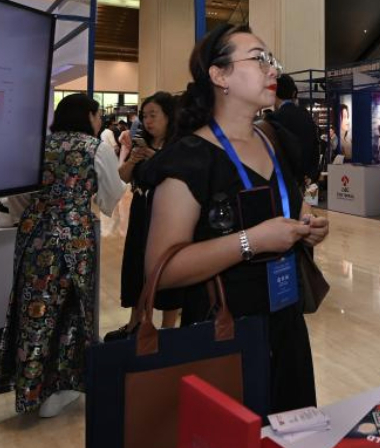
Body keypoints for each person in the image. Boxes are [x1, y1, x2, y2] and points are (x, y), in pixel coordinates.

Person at [141, 24, 329, 413]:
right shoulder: (191, 158)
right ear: (219, 75)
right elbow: (164, 267)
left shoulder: (274, 141)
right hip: (222, 334)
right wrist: (252, 241)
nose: (272, 70)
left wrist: (304, 228)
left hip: (287, 325)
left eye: (271, 60)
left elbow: (279, 209)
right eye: (259, 59)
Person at [0, 93, 126, 417]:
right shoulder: (95, 148)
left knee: (32, 308)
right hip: (74, 237)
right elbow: (110, 197)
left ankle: (29, 386)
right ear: (91, 116)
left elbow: (17, 196)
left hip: (34, 235)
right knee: (72, 308)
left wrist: (40, 211)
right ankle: (62, 385)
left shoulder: (38, 147)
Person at [105, 91, 181, 340]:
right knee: (137, 266)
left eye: (154, 115)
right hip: (141, 209)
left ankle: (169, 331)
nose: (148, 121)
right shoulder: (140, 142)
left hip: (167, 213)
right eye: (145, 115)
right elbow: (125, 177)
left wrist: (153, 157)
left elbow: (181, 176)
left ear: (169, 116)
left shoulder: (179, 145)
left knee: (167, 268)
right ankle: (134, 324)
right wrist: (133, 160)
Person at [266, 74, 321, 186]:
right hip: (303, 181)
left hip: (282, 184)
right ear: (293, 93)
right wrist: (310, 174)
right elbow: (316, 146)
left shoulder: (274, 118)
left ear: (274, 92)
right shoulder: (305, 115)